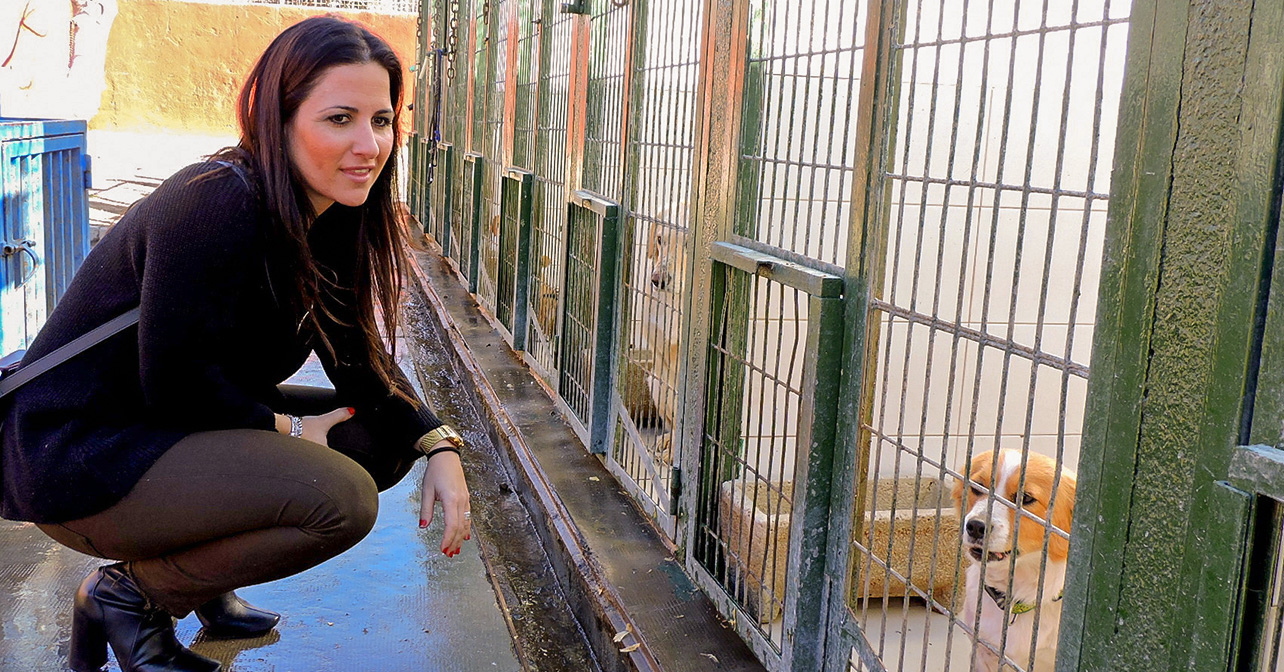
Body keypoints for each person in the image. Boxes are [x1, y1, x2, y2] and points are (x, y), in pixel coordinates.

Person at [0, 15, 471, 672]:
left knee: (377, 433)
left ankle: (201, 585)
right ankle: (129, 595)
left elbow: (357, 355)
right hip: (80, 452)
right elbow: (178, 386)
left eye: (383, 120)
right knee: (340, 498)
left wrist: (437, 444)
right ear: (278, 120)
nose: (370, 144)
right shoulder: (214, 202)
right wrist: (284, 429)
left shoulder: (329, 213)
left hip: (152, 430)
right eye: (340, 119)